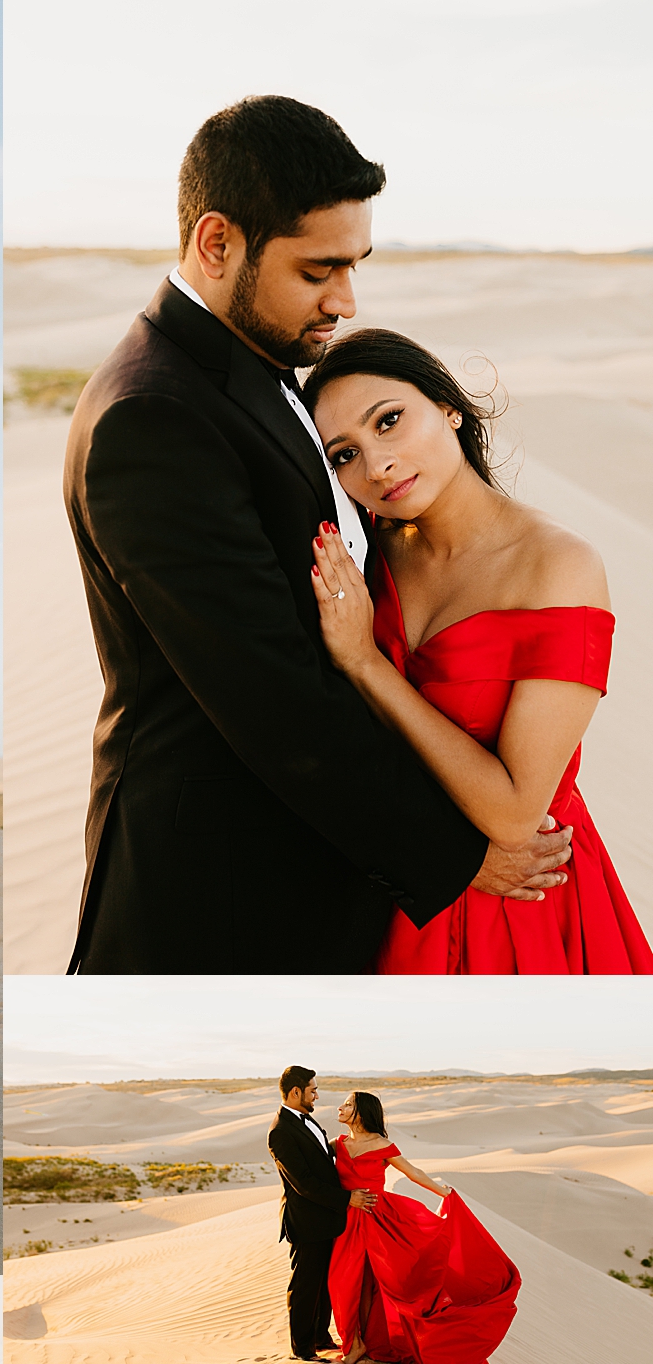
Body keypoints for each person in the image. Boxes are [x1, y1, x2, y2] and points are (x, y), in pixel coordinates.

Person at [63, 96, 570, 974]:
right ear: (217, 244)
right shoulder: (153, 415)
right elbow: (271, 694)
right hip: (216, 901)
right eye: (318, 270)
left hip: (315, 874)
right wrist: (457, 852)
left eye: (356, 265)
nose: (345, 299)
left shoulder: (256, 371)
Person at [305, 328, 653, 973]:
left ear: (448, 408)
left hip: (522, 901)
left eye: (389, 422)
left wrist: (364, 664)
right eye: (343, 454)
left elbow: (518, 811)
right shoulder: (362, 552)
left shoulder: (559, 567)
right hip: (391, 890)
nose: (376, 465)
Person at [330, 1092, 520, 1364]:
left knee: (391, 1285)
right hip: (347, 1222)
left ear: (362, 1112)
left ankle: (365, 1347)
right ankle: (355, 1342)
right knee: (347, 1282)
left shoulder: (381, 1145)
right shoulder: (336, 1145)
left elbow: (411, 1171)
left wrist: (443, 1192)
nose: (340, 1107)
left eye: (348, 1104)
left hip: (380, 1220)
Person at [268, 1064, 375, 1361]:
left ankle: (319, 1335)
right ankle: (302, 1349)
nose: (317, 1096)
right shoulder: (280, 1131)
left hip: (327, 1218)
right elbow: (304, 1183)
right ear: (295, 1092)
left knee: (326, 1282)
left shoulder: (306, 1122)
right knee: (305, 1285)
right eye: (312, 1091)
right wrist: (346, 1199)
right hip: (306, 1221)